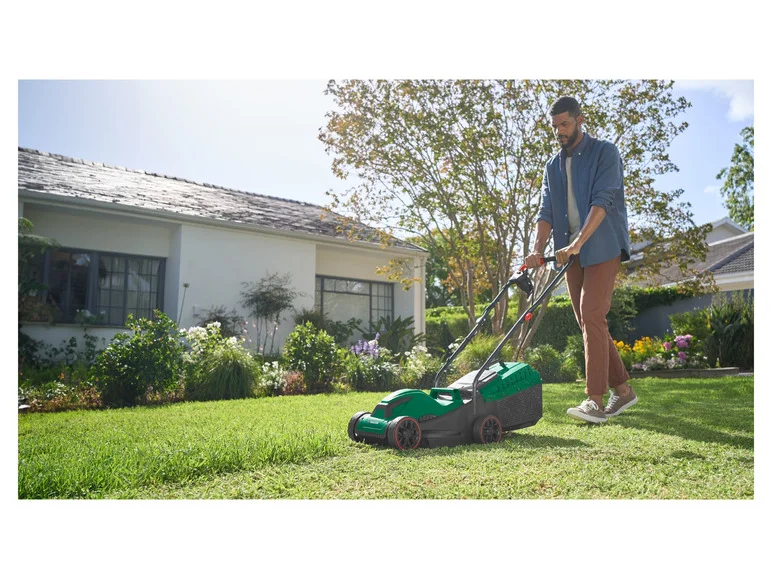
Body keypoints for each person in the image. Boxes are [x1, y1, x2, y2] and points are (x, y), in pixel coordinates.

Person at [524, 96, 637, 424]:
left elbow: (602, 202)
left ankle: (595, 401)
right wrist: (536, 248)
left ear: (579, 120)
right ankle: (624, 391)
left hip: (602, 245)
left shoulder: (605, 153)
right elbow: (545, 211)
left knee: (591, 313)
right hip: (569, 254)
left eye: (565, 124)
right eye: (555, 126)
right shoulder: (552, 166)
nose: (559, 131)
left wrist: (577, 242)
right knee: (589, 320)